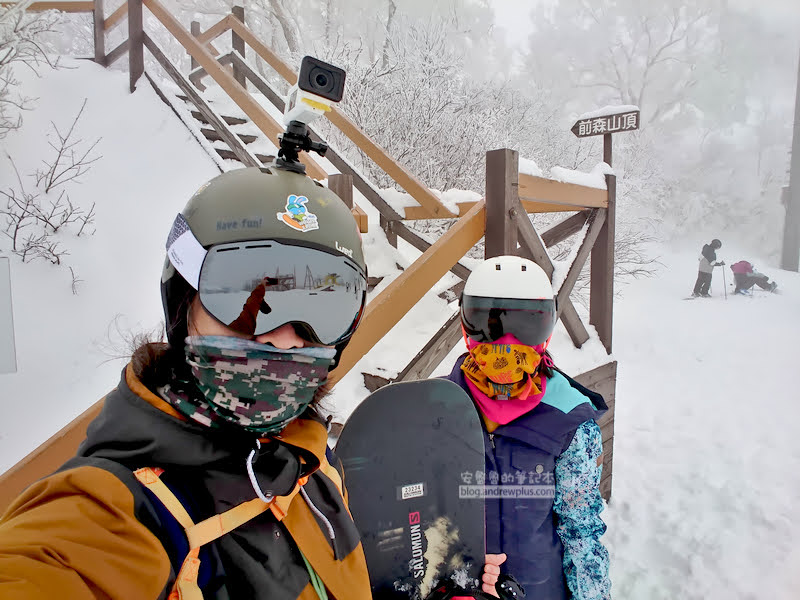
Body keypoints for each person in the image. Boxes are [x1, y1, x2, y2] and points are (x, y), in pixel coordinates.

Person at [0, 166, 374, 600]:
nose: (282, 336)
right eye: (242, 296)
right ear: (184, 301)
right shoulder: (114, 512)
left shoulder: (314, 458)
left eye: (323, 303)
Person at [445, 255, 611, 600]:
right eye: (490, 325)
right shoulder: (433, 410)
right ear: (466, 327)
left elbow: (580, 529)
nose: (507, 345)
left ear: (547, 333)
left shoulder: (567, 419)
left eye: (526, 326)